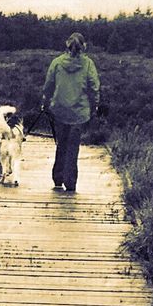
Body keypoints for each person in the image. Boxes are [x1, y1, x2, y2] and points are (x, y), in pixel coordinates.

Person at [40, 31, 100, 193]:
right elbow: (94, 88)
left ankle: (58, 178)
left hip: (59, 110)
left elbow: (48, 86)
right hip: (79, 113)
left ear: (67, 45)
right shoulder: (88, 64)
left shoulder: (57, 63)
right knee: (73, 147)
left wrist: (45, 103)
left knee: (61, 144)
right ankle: (70, 182)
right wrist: (94, 106)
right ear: (84, 46)